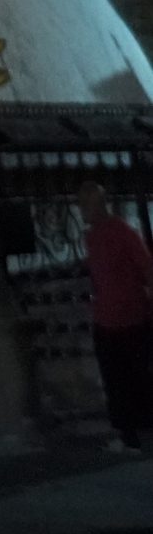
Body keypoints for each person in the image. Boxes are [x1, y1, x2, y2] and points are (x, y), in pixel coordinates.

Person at [78, 180, 153, 450]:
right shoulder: (92, 237)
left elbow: (147, 268)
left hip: (131, 318)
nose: (83, 210)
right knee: (117, 378)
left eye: (86, 204)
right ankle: (129, 431)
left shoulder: (123, 232)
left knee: (135, 377)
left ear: (99, 205)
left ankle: (138, 429)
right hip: (108, 319)